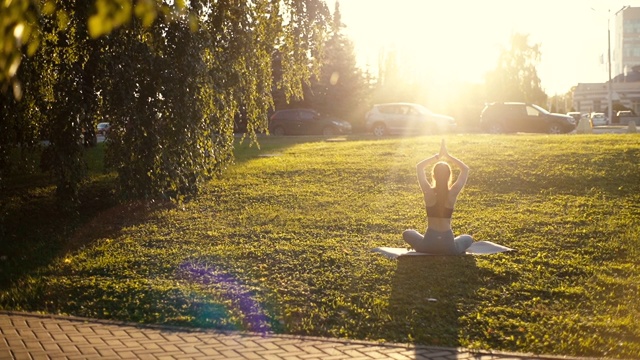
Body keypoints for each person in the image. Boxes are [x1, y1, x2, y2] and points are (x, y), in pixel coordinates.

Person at [403, 139, 474, 255]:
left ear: (434, 175)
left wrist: (437, 156)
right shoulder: (453, 193)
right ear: (449, 176)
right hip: (449, 247)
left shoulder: (428, 192)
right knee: (468, 238)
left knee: (407, 233)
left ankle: (427, 244)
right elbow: (465, 169)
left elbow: (419, 167)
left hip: (428, 244)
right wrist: (448, 156)